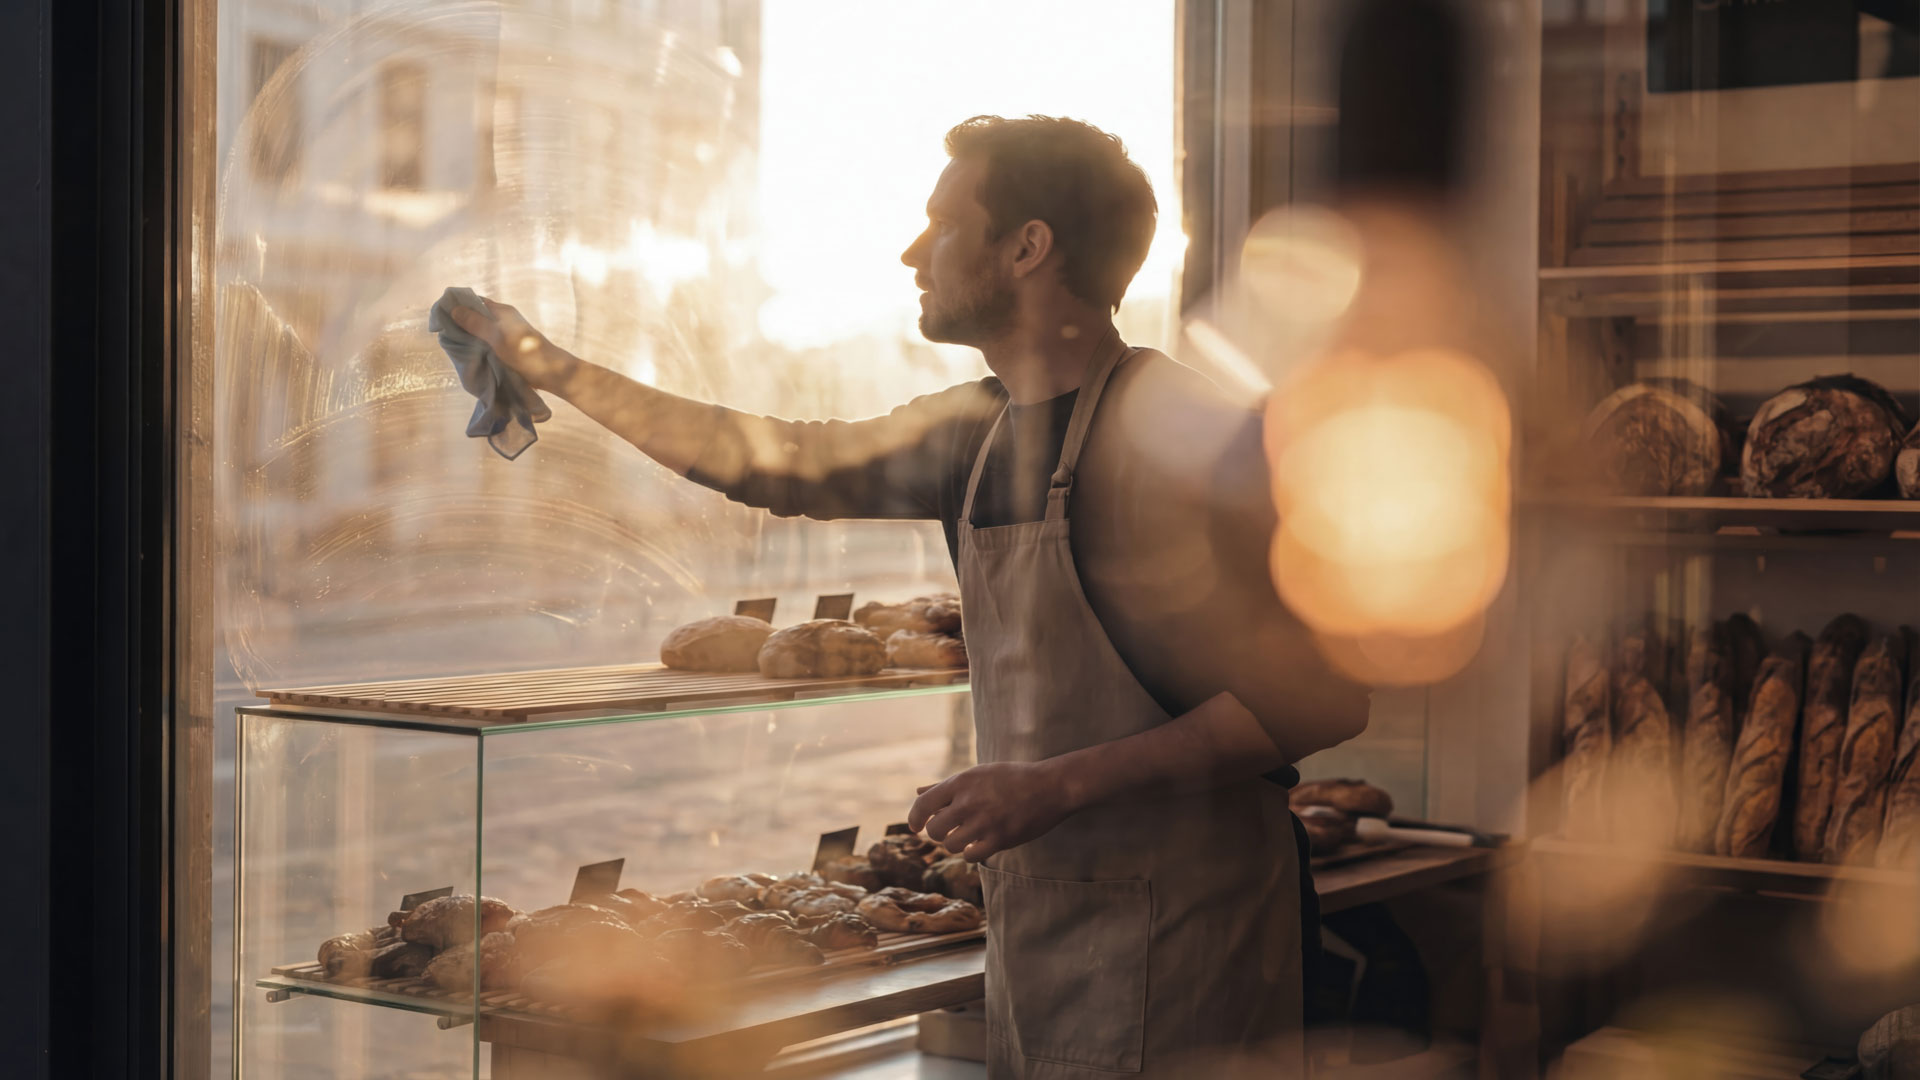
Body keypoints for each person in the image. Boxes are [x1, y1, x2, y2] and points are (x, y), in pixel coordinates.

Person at [450, 114, 1368, 1077]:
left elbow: (1317, 696)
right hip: (1045, 921)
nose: (911, 251)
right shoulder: (974, 431)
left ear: (1028, 247)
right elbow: (777, 461)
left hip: (1199, 932)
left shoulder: (1184, 429)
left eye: (940, 223)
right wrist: (553, 367)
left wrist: (1057, 784)